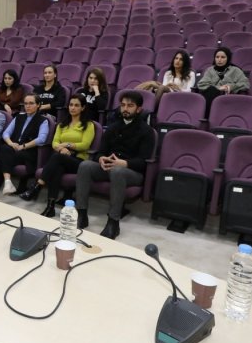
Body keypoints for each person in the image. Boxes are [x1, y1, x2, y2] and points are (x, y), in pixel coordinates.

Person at [74, 91, 155, 240]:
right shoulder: (112, 127)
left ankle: (113, 222)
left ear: (139, 109)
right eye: (123, 105)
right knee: (85, 165)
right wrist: (101, 159)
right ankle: (81, 214)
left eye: (130, 106)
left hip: (131, 172)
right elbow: (100, 152)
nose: (125, 109)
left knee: (118, 172)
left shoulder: (147, 131)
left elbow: (143, 162)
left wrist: (123, 163)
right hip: (109, 167)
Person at [20, 94, 95, 217]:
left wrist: (67, 145)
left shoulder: (88, 125)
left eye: (77, 105)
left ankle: (37, 186)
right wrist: (61, 149)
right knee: (57, 168)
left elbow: (85, 145)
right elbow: (55, 142)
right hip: (62, 157)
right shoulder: (62, 124)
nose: (73, 108)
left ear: (83, 108)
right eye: (71, 105)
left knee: (56, 158)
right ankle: (50, 207)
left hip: (78, 161)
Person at [0, 94, 50, 196]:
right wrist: (11, 143)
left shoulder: (43, 120)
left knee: (3, 153)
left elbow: (41, 139)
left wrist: (23, 146)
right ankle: (7, 182)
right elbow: (6, 133)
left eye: (31, 103)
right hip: (14, 149)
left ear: (38, 105)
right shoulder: (19, 116)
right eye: (26, 103)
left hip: (28, 152)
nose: (27, 106)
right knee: (5, 149)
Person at [196, 47, 250, 116]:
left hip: (229, 98)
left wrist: (231, 86)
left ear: (228, 58)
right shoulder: (210, 70)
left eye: (223, 57)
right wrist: (218, 88)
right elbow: (201, 85)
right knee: (211, 90)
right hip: (211, 97)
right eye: (217, 57)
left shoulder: (236, 70)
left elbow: (245, 84)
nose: (219, 60)